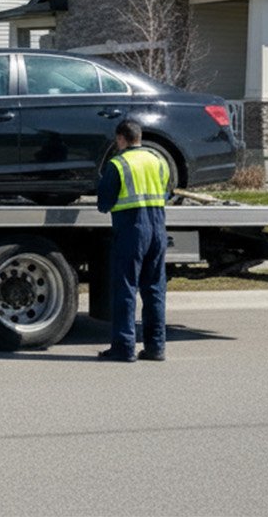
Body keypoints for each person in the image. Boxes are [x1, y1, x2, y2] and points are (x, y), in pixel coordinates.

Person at [96, 119, 171, 362]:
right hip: (157, 227)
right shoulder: (158, 160)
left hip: (132, 229)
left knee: (126, 289)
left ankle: (124, 348)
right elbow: (166, 192)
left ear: (121, 138)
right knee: (154, 290)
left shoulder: (118, 163)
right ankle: (155, 348)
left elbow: (104, 204)